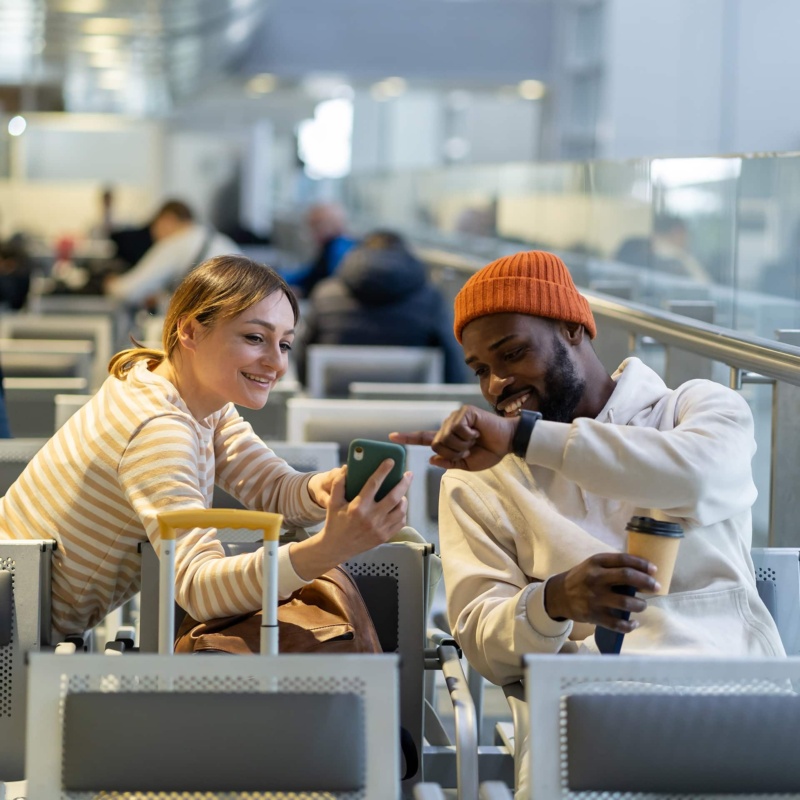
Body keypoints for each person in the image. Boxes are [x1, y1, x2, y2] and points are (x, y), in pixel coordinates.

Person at [391, 249, 783, 685]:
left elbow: (698, 478)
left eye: (514, 353)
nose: (496, 383)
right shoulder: (479, 479)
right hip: (594, 712)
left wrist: (526, 438)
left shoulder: (694, 407)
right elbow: (483, 644)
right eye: (481, 369)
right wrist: (552, 602)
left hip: (737, 692)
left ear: (573, 328)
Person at [0, 254, 412, 638]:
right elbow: (199, 588)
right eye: (255, 338)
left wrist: (325, 488)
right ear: (191, 330)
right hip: (12, 632)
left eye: (284, 344)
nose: (276, 363)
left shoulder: (185, 395)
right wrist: (328, 549)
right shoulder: (158, 428)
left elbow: (270, 487)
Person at [300, 230, 467, 383]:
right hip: (412, 407)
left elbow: (302, 356)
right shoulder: (432, 299)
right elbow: (452, 362)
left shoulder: (325, 294)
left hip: (329, 407)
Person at [104, 200, 240, 308]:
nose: (154, 237)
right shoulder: (215, 239)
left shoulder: (176, 242)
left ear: (167, 220)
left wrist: (111, 283)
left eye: (154, 227)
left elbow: (129, 292)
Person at [615, 214, 711, 283]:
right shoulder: (678, 260)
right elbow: (707, 289)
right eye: (687, 234)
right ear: (677, 232)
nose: (688, 240)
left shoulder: (631, 247)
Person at [291, 202, 356, 298]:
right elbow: (309, 274)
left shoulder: (338, 250)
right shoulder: (330, 246)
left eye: (314, 226)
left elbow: (332, 285)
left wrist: (304, 292)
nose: (311, 233)